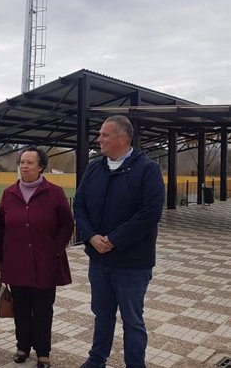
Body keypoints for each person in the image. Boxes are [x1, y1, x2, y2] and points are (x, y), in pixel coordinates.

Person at [74, 115, 165, 368]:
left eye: (105, 135)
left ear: (123, 139)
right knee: (102, 315)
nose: (99, 139)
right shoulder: (94, 168)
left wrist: (114, 240)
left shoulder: (147, 169)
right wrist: (91, 237)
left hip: (132, 263)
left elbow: (150, 213)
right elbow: (79, 206)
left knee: (132, 320)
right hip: (99, 259)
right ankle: (96, 359)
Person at [0, 147, 74, 368]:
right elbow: (0, 228)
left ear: (41, 166)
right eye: (21, 162)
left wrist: (56, 250)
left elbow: (67, 224)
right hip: (16, 262)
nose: (24, 166)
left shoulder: (55, 193)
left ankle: (43, 352)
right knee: (20, 308)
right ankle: (22, 346)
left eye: (30, 162)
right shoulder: (9, 193)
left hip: (45, 263)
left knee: (42, 309)